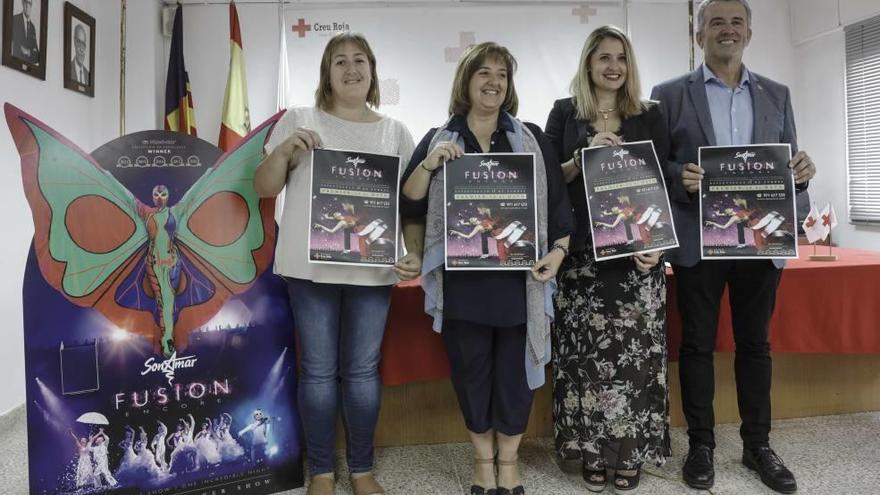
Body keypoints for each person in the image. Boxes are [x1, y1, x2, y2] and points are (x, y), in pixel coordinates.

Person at [650, 1, 816, 493]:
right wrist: (680, 175)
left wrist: (802, 176)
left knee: (756, 345)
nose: (727, 30)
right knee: (697, 345)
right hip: (699, 240)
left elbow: (789, 164)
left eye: (736, 22)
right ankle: (701, 445)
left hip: (761, 241)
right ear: (699, 35)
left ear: (749, 33)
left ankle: (757, 445)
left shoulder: (777, 94)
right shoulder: (668, 95)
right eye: (715, 22)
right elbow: (653, 168)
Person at [400, 42, 573, 495]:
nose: (493, 81)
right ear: (467, 81)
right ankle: (482, 461)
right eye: (484, 72)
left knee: (515, 378)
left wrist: (556, 252)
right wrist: (429, 164)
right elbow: (408, 202)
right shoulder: (440, 138)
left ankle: (509, 463)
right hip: (464, 285)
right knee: (471, 373)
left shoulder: (531, 138)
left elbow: (559, 206)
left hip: (521, 283)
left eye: (502, 74)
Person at [254, 31, 419, 495]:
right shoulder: (299, 119)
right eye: (340, 61)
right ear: (326, 74)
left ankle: (363, 469)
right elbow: (264, 187)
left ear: (372, 70)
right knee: (320, 371)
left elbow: (409, 204)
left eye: (360, 61)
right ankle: (322, 472)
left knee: (363, 371)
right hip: (310, 271)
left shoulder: (395, 132)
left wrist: (412, 251)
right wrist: (285, 151)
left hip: (372, 271)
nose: (351, 69)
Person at [544, 25, 670, 493]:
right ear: (588, 64)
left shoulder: (649, 117)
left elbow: (665, 187)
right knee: (586, 362)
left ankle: (629, 454)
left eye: (621, 57)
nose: (613, 66)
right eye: (603, 58)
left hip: (638, 258)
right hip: (581, 260)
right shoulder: (563, 114)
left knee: (636, 362)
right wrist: (582, 157)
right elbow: (549, 183)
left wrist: (657, 246)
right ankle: (592, 453)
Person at [11, 0, 39, 64]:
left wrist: (28, 52)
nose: (27, 6)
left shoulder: (32, 27)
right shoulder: (15, 20)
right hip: (15, 63)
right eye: (26, 2)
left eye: (29, 4)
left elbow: (37, 57)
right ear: (22, 3)